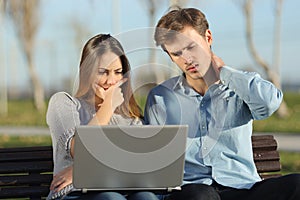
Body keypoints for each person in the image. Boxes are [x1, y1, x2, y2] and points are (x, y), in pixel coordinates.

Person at [144, 7, 300, 200]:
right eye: (177, 53)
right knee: (202, 195)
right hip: (193, 191)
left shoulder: (240, 86)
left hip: (242, 188)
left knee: (296, 184)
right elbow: (153, 163)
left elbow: (269, 103)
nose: (187, 59)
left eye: (192, 47)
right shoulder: (160, 98)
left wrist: (225, 72)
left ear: (208, 38)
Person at [46, 34, 159, 200]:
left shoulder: (131, 118)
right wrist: (109, 105)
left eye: (117, 72)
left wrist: (81, 170)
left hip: (123, 191)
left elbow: (138, 164)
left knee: (146, 197)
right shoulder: (64, 104)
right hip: (75, 193)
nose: (111, 80)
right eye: (103, 72)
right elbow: (81, 151)